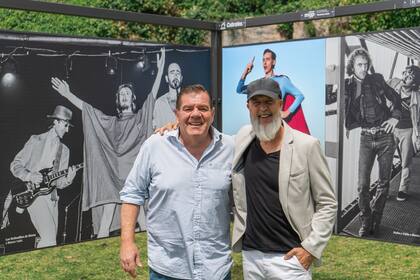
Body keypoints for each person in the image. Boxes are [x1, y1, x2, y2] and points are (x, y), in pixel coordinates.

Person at [120, 85, 234, 280]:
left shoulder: (230, 147)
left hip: (216, 268)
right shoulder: (155, 146)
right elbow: (132, 194)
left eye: (203, 108)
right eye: (188, 109)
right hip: (168, 268)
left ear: (212, 114)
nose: (196, 114)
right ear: (177, 114)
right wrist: (127, 242)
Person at [51, 48, 165, 238]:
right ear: (118, 100)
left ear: (133, 98)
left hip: (133, 176)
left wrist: (160, 70)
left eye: (128, 93)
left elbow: (152, 96)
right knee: (105, 220)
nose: (125, 96)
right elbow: (87, 110)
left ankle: (148, 254)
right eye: (122, 95)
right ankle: (100, 247)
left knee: (142, 219)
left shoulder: (139, 118)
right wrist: (67, 95)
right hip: (112, 174)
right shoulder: (110, 122)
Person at [231, 78, 337, 279]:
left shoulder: (307, 145)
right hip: (251, 255)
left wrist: (310, 248)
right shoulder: (243, 137)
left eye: (269, 102)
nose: (263, 109)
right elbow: (206, 136)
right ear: (248, 106)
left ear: (280, 104)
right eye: (256, 103)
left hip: (290, 260)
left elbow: (327, 202)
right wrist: (175, 127)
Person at [344, 48, 401, 237]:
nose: (363, 68)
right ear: (352, 65)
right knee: (362, 185)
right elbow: (339, 103)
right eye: (359, 64)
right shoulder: (347, 85)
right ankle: (365, 220)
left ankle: (376, 220)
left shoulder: (376, 79)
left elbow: (396, 98)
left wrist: (395, 118)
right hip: (366, 138)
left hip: (385, 136)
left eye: (365, 64)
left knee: (384, 183)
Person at [10, 105, 77, 248]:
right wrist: (29, 175)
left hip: (52, 198)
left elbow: (58, 183)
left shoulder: (64, 151)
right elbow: (15, 165)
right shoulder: (35, 140)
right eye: (65, 125)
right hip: (33, 194)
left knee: (50, 243)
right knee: (49, 237)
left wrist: (69, 178)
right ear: (56, 122)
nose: (67, 130)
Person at [236, 48, 310, 134]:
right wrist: (246, 72)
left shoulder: (282, 80)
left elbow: (300, 96)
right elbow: (239, 90)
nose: (264, 62)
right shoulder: (259, 83)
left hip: (277, 125)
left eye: (267, 59)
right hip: (262, 125)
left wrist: (287, 112)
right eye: (263, 60)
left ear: (273, 62)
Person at [387, 65, 420, 201]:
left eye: (410, 77)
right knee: (386, 160)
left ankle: (403, 189)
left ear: (415, 83)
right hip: (391, 129)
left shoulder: (417, 96)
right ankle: (384, 189)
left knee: (406, 161)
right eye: (406, 73)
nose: (406, 77)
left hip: (408, 130)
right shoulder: (394, 85)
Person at [152, 62, 183, 130]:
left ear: (181, 78)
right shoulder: (159, 103)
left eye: (178, 72)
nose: (175, 75)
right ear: (166, 78)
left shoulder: (189, 100)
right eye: (172, 72)